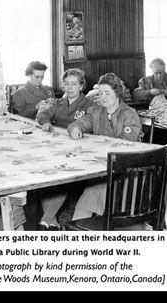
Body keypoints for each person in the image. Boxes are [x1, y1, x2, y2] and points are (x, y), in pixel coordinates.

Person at [67, 73, 143, 220]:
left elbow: (127, 144)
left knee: (93, 192)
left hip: (125, 171)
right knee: (91, 190)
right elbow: (80, 123)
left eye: (107, 93)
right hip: (102, 167)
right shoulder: (96, 111)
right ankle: (78, 229)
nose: (103, 97)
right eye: (100, 93)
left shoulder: (129, 114)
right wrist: (76, 128)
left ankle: (79, 228)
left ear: (117, 93)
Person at [35, 68, 93, 230]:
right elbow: (43, 114)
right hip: (57, 148)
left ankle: (45, 221)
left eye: (74, 84)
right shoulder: (59, 102)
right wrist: (45, 122)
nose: (69, 88)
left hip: (79, 150)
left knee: (63, 178)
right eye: (66, 84)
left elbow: (90, 121)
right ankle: (52, 221)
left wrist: (79, 128)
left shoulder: (89, 104)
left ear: (81, 86)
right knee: (42, 174)